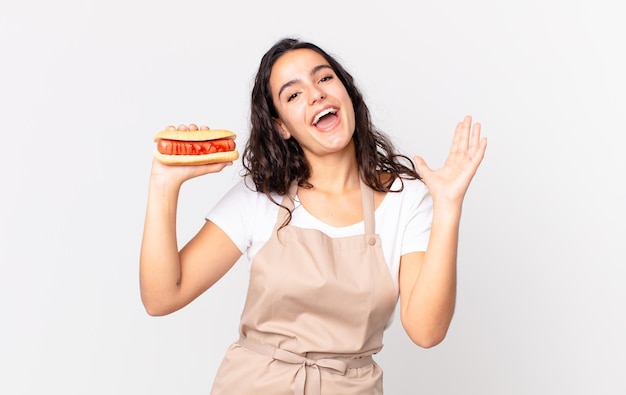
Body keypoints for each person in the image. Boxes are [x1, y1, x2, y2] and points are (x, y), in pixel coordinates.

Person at [140, 37, 487, 395]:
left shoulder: (406, 198)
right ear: (282, 127)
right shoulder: (261, 197)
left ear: (347, 94)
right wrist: (163, 184)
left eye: (324, 79)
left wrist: (448, 206)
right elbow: (163, 296)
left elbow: (426, 331)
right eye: (293, 95)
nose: (315, 94)